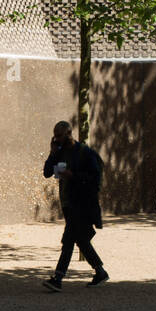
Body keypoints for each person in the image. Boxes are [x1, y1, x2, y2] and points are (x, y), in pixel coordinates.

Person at [42, 119, 109, 291]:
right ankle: (100, 272)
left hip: (81, 203)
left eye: (59, 136)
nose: (56, 139)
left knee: (69, 239)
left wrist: (73, 175)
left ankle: (58, 278)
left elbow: (94, 177)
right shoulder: (60, 151)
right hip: (68, 203)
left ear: (69, 134)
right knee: (80, 239)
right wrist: (52, 152)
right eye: (54, 136)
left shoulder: (84, 152)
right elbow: (47, 173)